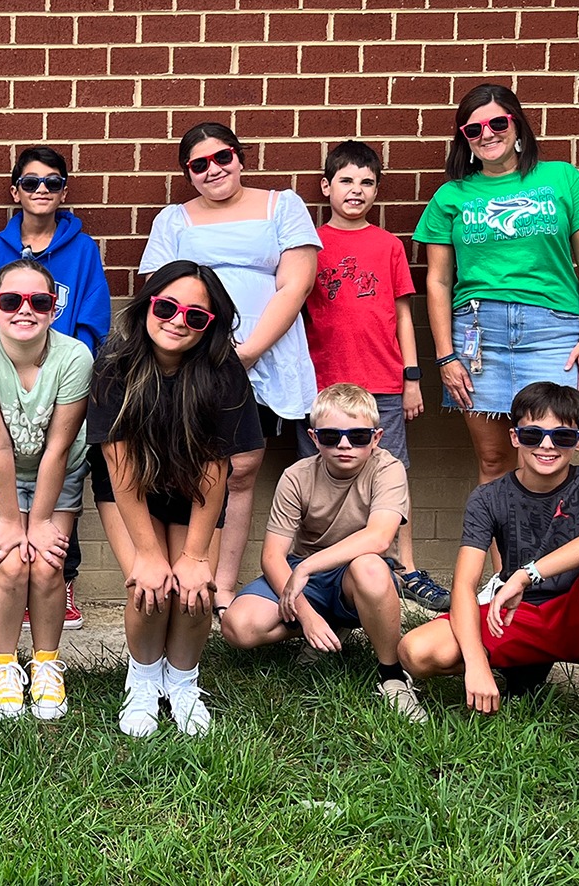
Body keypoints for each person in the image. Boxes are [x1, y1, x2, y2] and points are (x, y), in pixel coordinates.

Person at [398, 383, 579, 775]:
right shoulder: (489, 497)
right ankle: (523, 669)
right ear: (514, 437)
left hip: (577, 614)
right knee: (416, 651)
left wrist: (526, 574)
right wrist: (476, 664)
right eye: (533, 434)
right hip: (516, 616)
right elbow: (465, 585)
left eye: (563, 436)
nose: (547, 445)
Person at [140, 122, 318, 601]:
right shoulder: (173, 219)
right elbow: (158, 291)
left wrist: (249, 351)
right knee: (192, 465)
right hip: (194, 354)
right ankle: (185, 573)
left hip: (264, 354)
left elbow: (297, 284)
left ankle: (221, 585)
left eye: (222, 157)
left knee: (240, 469)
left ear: (240, 157)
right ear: (188, 173)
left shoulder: (283, 206)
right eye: (199, 164)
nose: (213, 170)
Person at [89, 261, 259, 737]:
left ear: (209, 326)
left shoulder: (222, 371)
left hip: (194, 491)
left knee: (195, 591)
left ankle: (183, 681)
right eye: (167, 307)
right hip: (130, 491)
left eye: (195, 316)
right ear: (148, 305)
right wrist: (147, 553)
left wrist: (196, 556)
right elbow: (120, 470)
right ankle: (144, 679)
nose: (178, 321)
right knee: (150, 587)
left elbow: (215, 468)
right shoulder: (113, 365)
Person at [415, 83, 579, 488]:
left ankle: (548, 535)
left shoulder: (561, 178)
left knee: (548, 456)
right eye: (474, 129)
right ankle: (499, 535)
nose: (487, 134)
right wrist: (446, 356)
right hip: (478, 338)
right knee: (492, 459)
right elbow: (438, 279)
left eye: (498, 123)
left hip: (552, 334)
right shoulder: (451, 196)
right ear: (465, 139)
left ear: (517, 124)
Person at [301, 140, 450, 613]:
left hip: (383, 382)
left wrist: (412, 377)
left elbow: (402, 315)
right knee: (319, 477)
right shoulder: (309, 245)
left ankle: (404, 567)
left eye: (367, 182)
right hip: (322, 385)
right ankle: (321, 569)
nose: (356, 190)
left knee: (393, 472)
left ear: (377, 191)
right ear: (325, 186)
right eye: (345, 180)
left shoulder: (388, 245)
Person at [0, 145, 109, 630]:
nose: (41, 189)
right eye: (31, 182)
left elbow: (93, 316)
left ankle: (61, 580)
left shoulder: (82, 249)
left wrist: (66, 364)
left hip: (62, 381)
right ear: (15, 191)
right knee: (12, 480)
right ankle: (15, 589)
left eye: (52, 182)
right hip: (7, 385)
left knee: (60, 470)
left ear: (64, 191)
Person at [222, 384, 425, 722]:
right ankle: (327, 623)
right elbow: (272, 556)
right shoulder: (296, 476)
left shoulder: (388, 469)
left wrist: (306, 568)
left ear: (376, 438)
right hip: (309, 575)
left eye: (358, 437)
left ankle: (392, 675)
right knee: (238, 626)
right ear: (314, 438)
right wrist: (307, 615)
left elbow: (378, 537)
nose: (344, 445)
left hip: (356, 575)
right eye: (331, 436)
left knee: (370, 567)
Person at [0, 259, 92, 720]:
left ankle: (47, 664)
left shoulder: (75, 357)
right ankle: (4, 665)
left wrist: (43, 522)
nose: (25, 310)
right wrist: (14, 524)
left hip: (59, 468)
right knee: (13, 565)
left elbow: (58, 447)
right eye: (12, 301)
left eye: (39, 301)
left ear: (54, 309)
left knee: (49, 566)